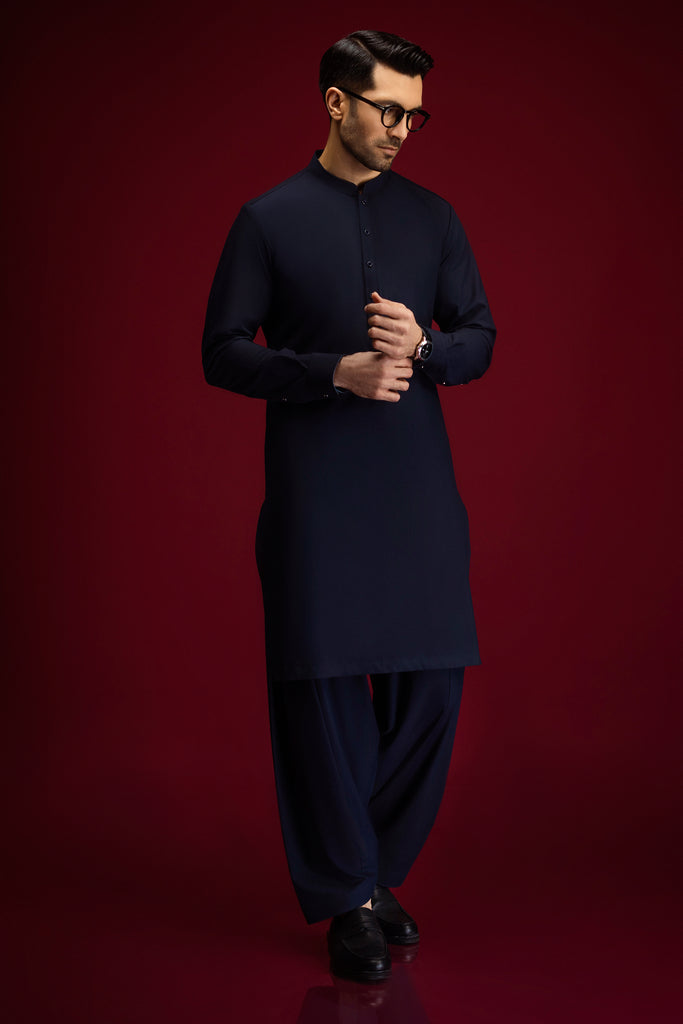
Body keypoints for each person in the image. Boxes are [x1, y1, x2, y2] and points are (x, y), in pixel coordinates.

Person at [202, 30, 496, 984]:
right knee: (323, 699)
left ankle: (366, 876)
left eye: (415, 114)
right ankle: (349, 899)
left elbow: (480, 337)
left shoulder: (435, 217)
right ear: (336, 102)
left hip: (417, 494)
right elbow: (220, 352)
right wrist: (334, 371)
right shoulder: (268, 219)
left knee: (431, 692)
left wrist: (423, 348)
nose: (403, 128)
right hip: (317, 497)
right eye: (387, 109)